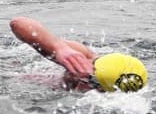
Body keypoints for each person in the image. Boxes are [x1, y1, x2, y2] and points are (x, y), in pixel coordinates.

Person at [10, 16, 148, 93]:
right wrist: (59, 47)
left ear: (102, 91)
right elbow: (18, 23)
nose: (80, 80)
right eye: (90, 71)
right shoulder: (80, 56)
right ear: (93, 61)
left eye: (91, 82)